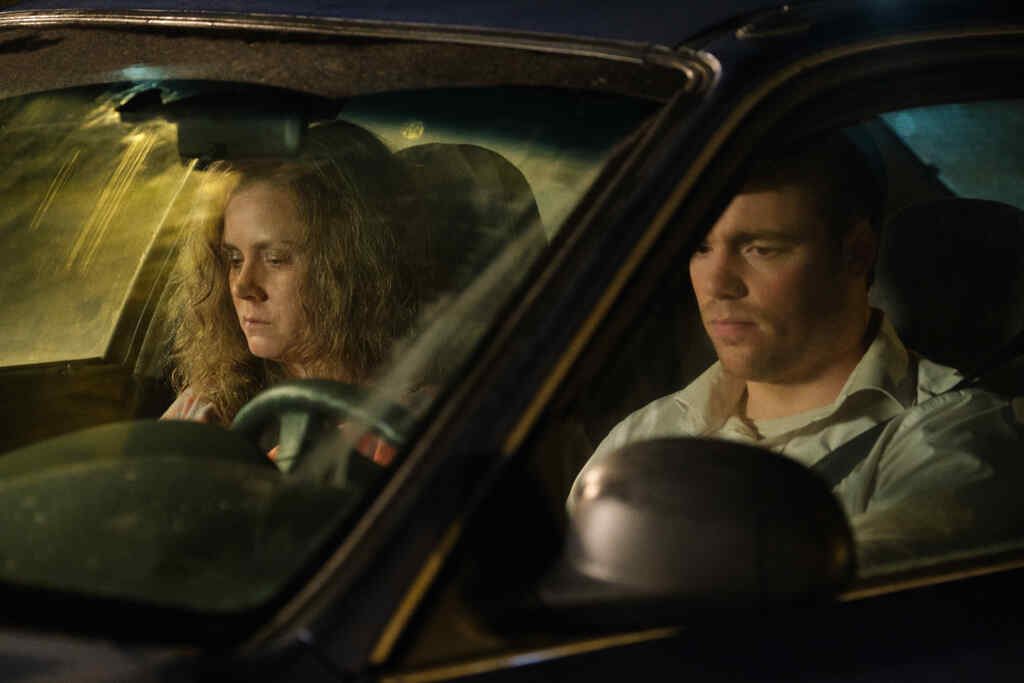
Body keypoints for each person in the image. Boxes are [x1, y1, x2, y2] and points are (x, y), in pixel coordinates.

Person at [569, 131, 1024, 568]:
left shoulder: (949, 434)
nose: (717, 284)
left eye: (760, 249)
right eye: (700, 248)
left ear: (856, 253)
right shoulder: (648, 432)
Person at [162, 120, 431, 468]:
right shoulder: (210, 403)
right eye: (234, 259)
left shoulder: (416, 424)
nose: (243, 286)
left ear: (352, 266)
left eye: (275, 259)